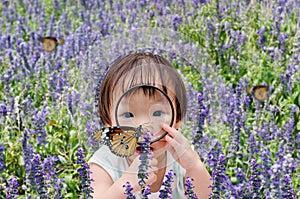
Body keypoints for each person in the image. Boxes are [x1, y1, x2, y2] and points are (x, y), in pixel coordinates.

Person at [89, 52, 212, 198]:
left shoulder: (180, 158)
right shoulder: (104, 164)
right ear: (109, 125)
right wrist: (125, 185)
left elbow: (205, 195)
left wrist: (195, 167)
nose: (143, 128)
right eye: (128, 115)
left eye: (157, 113)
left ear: (178, 118)